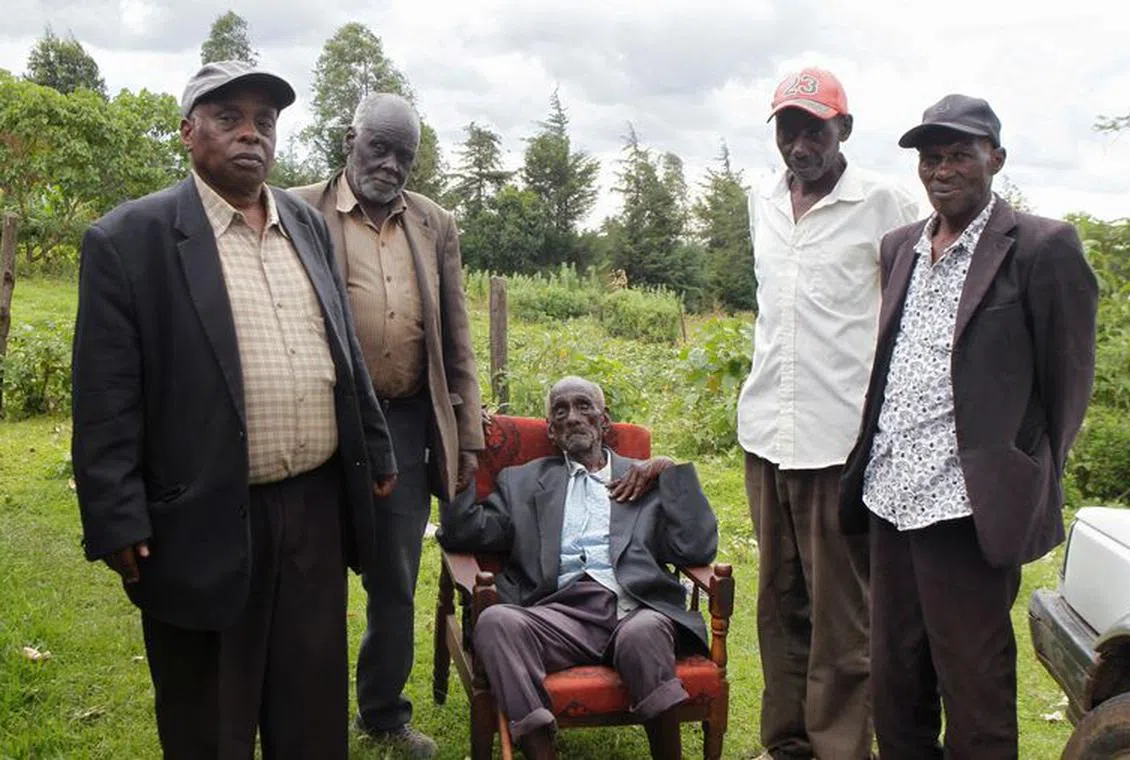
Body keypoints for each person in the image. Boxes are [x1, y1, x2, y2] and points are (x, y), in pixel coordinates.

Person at [71, 60, 397, 760]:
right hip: (201, 515)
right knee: (209, 719)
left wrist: (376, 447)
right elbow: (103, 396)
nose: (251, 133)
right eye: (229, 118)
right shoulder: (131, 240)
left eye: (265, 121)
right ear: (188, 132)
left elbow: (342, 349)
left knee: (310, 709)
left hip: (313, 511)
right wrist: (116, 514)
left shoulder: (306, 226)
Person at [839, 94, 1098, 758]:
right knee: (897, 683)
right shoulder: (900, 246)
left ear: (996, 159)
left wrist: (1028, 473)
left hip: (967, 510)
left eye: (959, 154)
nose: (942, 170)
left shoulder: (1041, 247)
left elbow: (1068, 382)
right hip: (890, 498)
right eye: (931, 158)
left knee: (974, 686)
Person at [735, 67, 921, 760]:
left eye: (815, 126)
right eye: (788, 127)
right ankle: (785, 744)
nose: (800, 142)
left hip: (839, 442)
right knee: (779, 605)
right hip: (765, 434)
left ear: (844, 128)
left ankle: (839, 747)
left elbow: (918, 305)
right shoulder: (762, 198)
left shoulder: (886, 203)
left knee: (843, 616)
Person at [291, 92, 483, 757]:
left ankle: (381, 714)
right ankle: (304, 715)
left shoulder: (434, 224)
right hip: (319, 425)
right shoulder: (296, 208)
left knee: (394, 579)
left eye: (407, 154)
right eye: (382, 148)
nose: (393, 164)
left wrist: (468, 438)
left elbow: (457, 338)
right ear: (351, 139)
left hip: (404, 427)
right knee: (308, 573)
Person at [437, 376, 718, 760]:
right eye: (561, 410)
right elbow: (463, 532)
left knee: (645, 633)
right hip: (555, 613)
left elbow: (698, 546)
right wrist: (462, 448)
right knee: (496, 622)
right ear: (551, 430)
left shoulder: (645, 478)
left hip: (631, 608)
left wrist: (669, 472)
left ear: (605, 421)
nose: (573, 417)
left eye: (584, 406)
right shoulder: (521, 483)